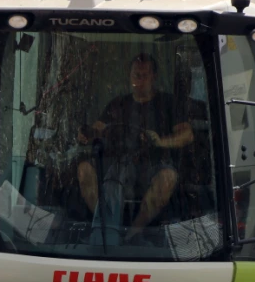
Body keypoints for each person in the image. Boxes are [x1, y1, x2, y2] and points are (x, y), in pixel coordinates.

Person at [76, 53, 193, 243]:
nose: (139, 79)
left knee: (168, 178)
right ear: (129, 76)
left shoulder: (168, 103)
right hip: (118, 163)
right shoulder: (117, 104)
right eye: (135, 75)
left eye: (144, 75)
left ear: (154, 77)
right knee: (85, 170)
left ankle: (133, 233)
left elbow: (187, 134)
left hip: (154, 163)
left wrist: (160, 141)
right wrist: (87, 134)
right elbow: (98, 128)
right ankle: (106, 227)